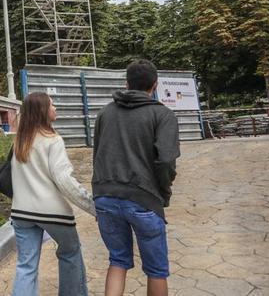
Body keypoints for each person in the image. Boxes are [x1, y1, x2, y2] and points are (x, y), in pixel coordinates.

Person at [92, 60, 180, 296]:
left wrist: (99, 191)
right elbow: (166, 162)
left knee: (118, 261)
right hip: (144, 199)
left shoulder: (105, 113)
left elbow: (97, 154)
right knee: (156, 270)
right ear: (155, 85)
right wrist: (163, 193)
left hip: (106, 197)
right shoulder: (162, 115)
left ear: (127, 83)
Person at [11, 92, 96, 296]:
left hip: (21, 213)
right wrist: (92, 206)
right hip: (52, 213)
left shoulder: (19, 142)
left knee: (26, 266)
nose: (55, 108)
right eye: (52, 105)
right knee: (70, 253)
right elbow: (64, 180)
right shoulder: (53, 140)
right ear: (43, 111)